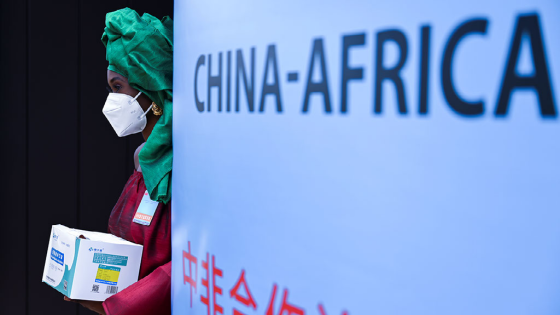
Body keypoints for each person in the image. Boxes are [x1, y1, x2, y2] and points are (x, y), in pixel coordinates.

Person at [64, 8, 174, 315]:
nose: (112, 100)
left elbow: (180, 269)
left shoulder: (180, 172)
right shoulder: (145, 161)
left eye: (118, 87)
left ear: (150, 90)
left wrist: (114, 306)